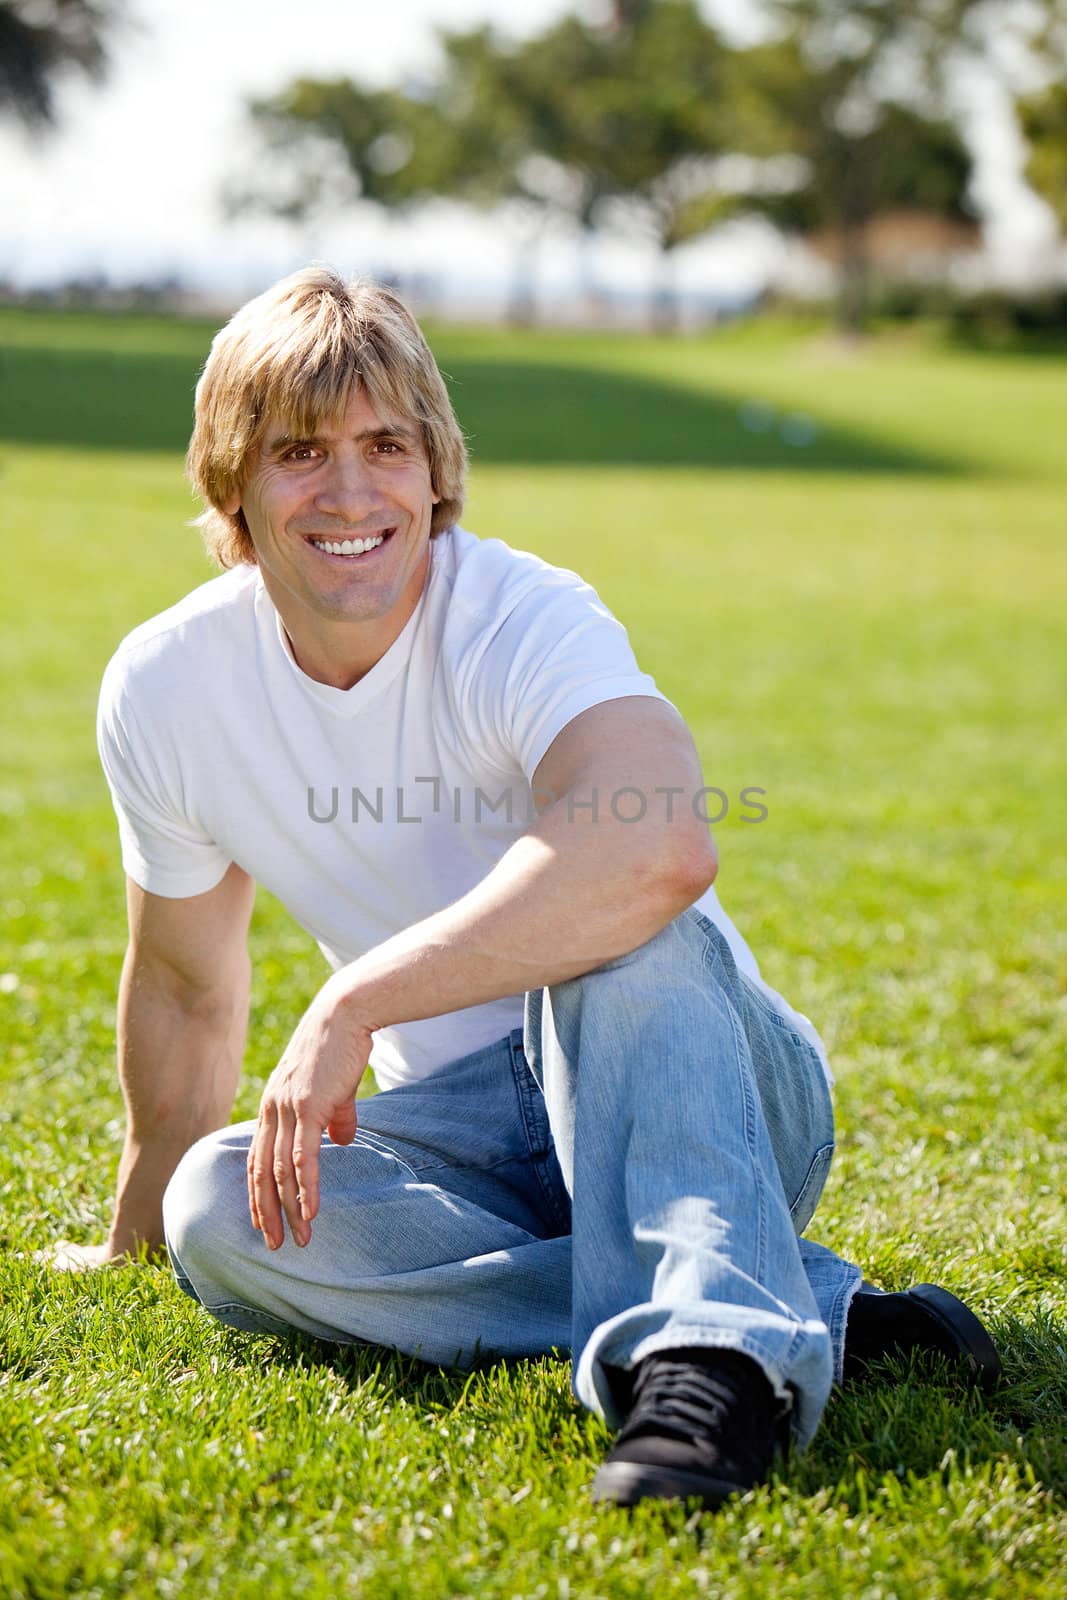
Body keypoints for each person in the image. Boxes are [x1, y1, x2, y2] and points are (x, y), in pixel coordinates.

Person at [74, 266, 1000, 1509]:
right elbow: (186, 988)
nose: (349, 492)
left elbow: (660, 848)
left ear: (436, 468)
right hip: (458, 1136)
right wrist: (137, 1234)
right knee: (219, 1216)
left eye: (384, 444)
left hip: (691, 1079)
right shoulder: (169, 687)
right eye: (298, 451)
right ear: (230, 480)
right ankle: (796, 1299)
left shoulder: (522, 616)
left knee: (609, 920)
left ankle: (707, 1367)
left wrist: (358, 1002)